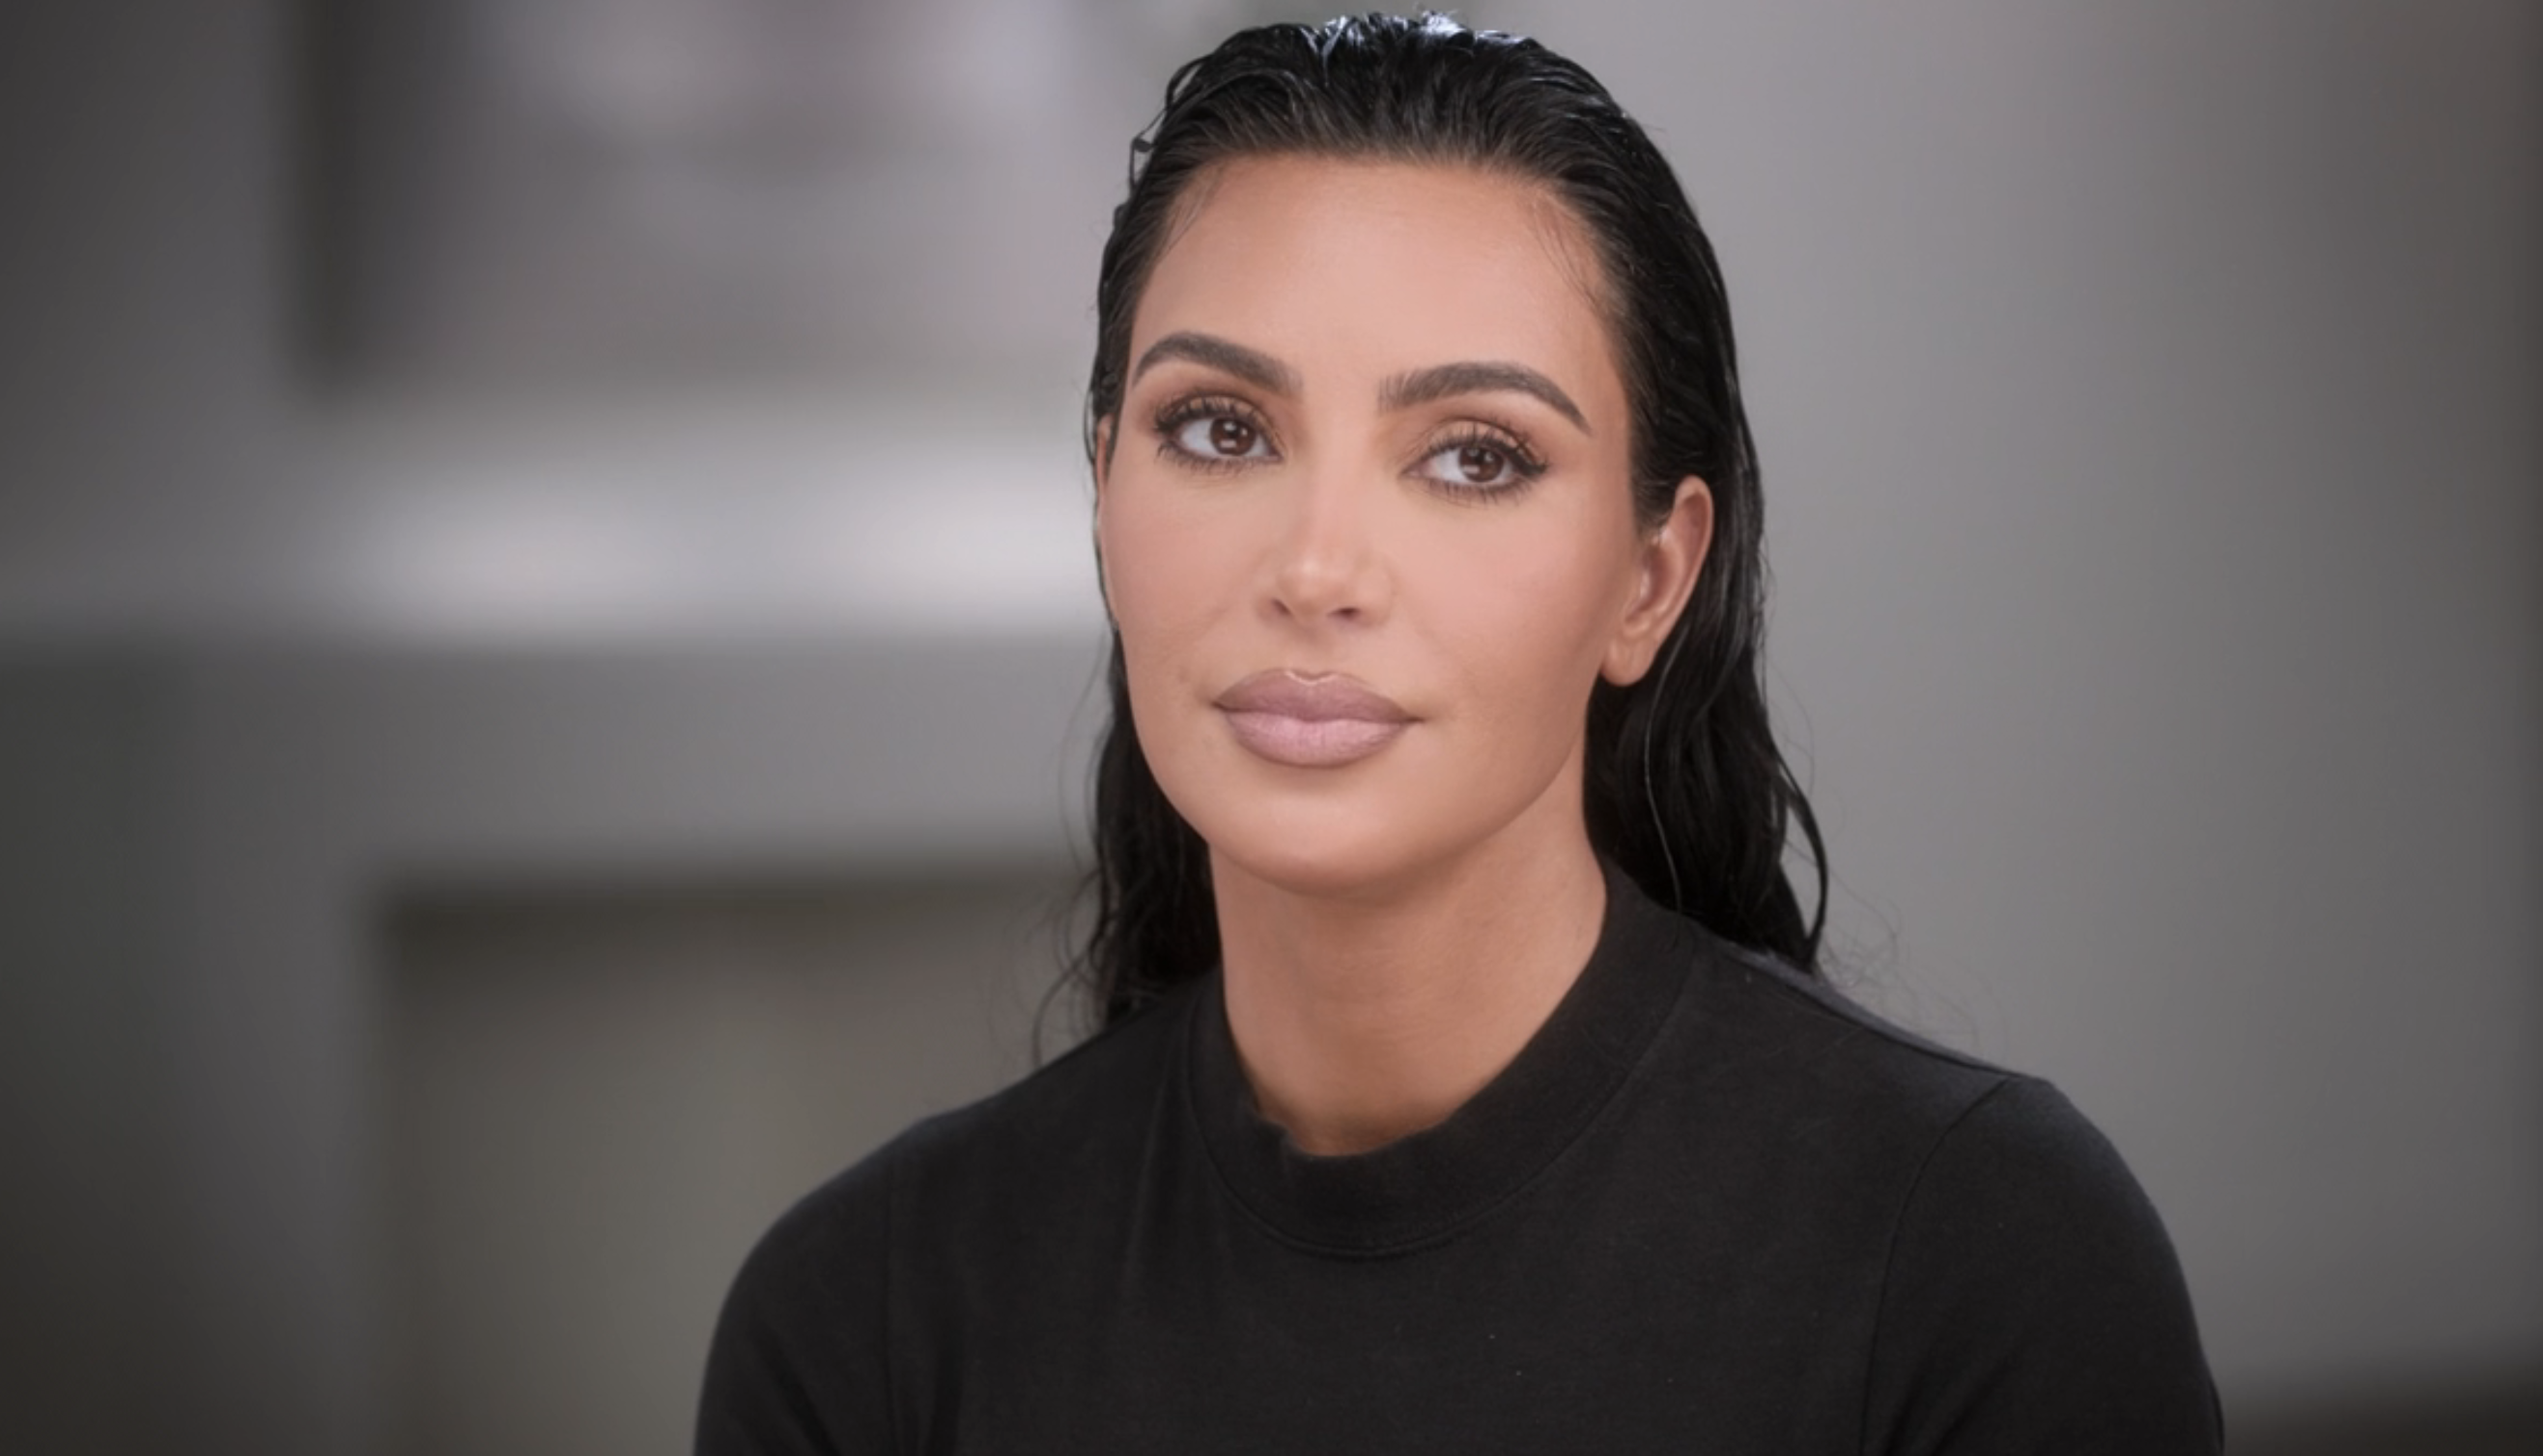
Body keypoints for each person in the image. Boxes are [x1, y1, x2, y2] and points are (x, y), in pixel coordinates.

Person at [697, 14, 2220, 1452]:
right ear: (1104, 496)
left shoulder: (1981, 1267)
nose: (1316, 571)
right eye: (1222, 430)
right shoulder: (868, 1320)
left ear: (1651, 579)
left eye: (1475, 458)